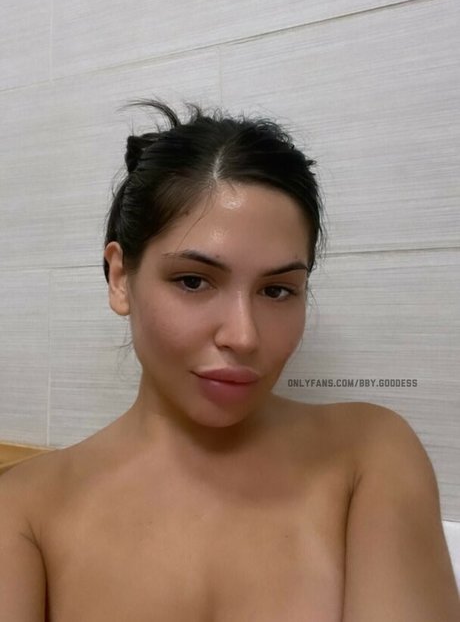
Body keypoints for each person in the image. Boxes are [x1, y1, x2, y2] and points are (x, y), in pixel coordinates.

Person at [0, 99, 458, 622]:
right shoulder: (24, 510)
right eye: (193, 281)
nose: (243, 336)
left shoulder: (369, 455)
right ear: (121, 278)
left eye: (278, 290)